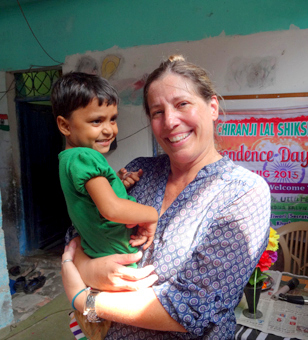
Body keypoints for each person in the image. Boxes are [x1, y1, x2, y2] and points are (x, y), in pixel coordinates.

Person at [61, 55, 271, 340]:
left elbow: (191, 308)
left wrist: (84, 299)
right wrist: (90, 267)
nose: (170, 121)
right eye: (157, 112)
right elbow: (79, 231)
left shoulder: (243, 192)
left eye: (182, 104)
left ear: (212, 107)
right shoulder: (140, 171)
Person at [51, 72, 158, 267]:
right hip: (119, 253)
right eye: (96, 121)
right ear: (65, 126)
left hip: (100, 251)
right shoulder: (85, 156)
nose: (109, 130)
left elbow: (91, 201)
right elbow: (111, 208)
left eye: (113, 119)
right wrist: (152, 214)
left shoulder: (68, 159)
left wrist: (117, 181)